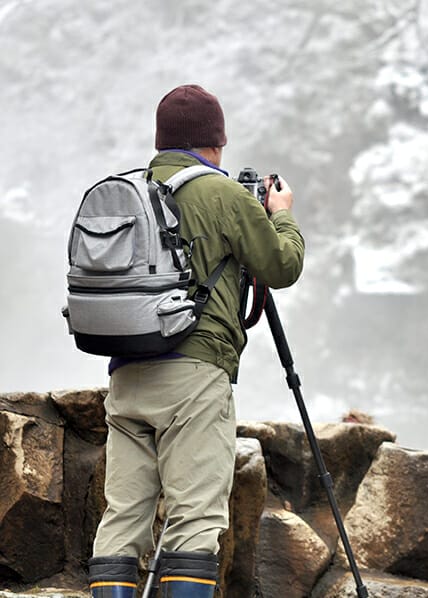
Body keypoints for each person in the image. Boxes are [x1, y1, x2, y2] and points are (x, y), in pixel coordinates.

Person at [87, 84, 305, 598]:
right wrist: (281, 214)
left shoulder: (132, 189)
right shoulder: (223, 194)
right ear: (215, 142)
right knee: (194, 522)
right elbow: (282, 265)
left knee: (122, 520)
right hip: (193, 374)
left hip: (126, 373)